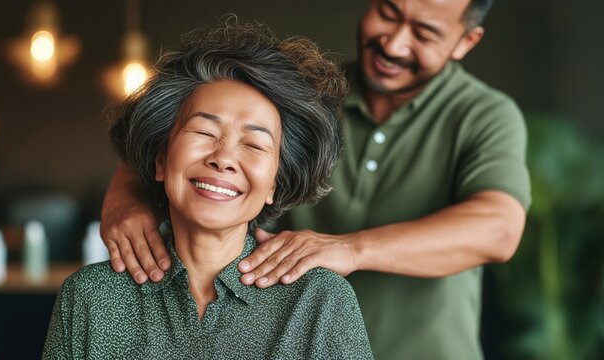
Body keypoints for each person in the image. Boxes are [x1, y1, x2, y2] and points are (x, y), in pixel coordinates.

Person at [100, 0, 531, 358]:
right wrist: (123, 201)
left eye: (425, 33)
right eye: (388, 12)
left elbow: (498, 228)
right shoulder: (306, 100)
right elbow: (166, 140)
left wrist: (351, 249)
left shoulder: (485, 116)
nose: (395, 42)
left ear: (466, 41)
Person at [43, 19, 374, 359]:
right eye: (203, 131)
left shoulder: (320, 301)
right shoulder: (90, 298)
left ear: (275, 184)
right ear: (161, 160)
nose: (224, 158)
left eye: (255, 144)